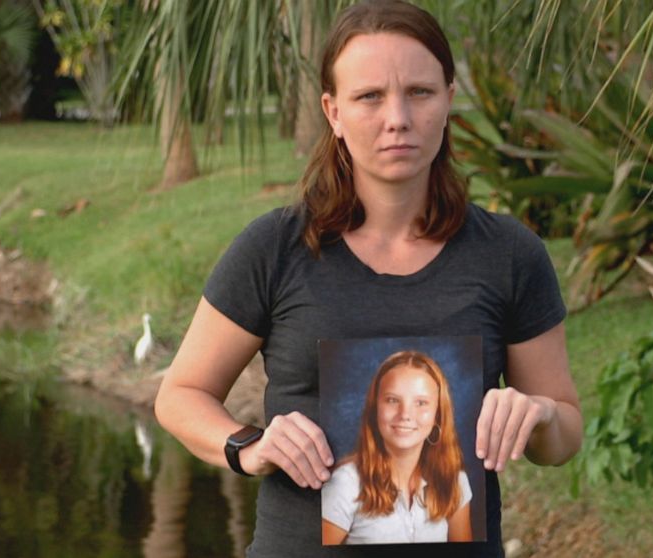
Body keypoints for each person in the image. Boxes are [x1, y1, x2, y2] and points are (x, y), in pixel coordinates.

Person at [154, 1, 583, 556]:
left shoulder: (508, 254)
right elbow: (180, 395)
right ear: (333, 112)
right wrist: (248, 447)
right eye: (369, 97)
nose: (397, 117)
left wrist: (541, 414)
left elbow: (564, 435)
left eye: (420, 92)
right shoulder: (275, 248)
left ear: (450, 100)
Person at [322, 350, 472, 545]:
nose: (405, 414)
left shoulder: (455, 481)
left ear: (438, 415)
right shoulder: (345, 484)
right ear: (375, 408)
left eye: (421, 403)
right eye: (392, 400)